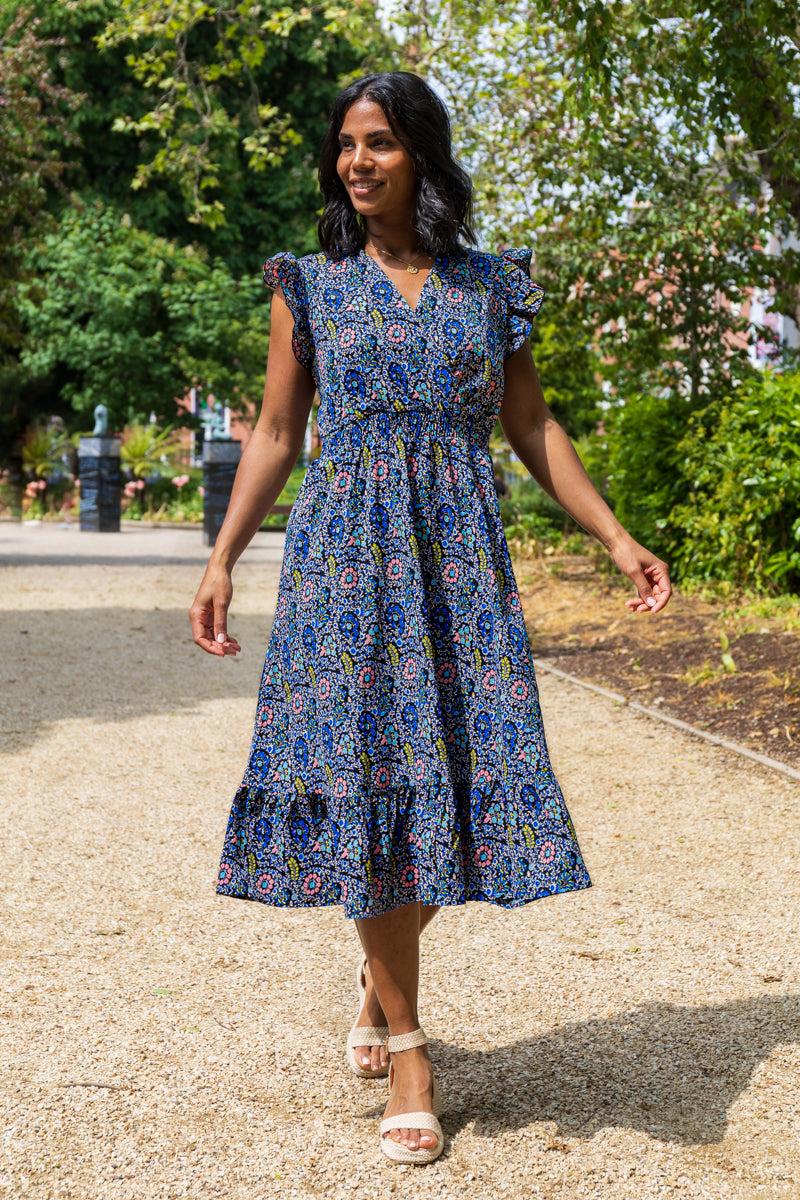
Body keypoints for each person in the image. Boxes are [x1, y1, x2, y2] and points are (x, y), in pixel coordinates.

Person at [189, 71, 672, 1166]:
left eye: (380, 144)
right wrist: (221, 557)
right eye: (346, 146)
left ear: (422, 155)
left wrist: (614, 535)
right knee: (365, 779)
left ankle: (376, 970)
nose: (356, 162)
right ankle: (407, 1041)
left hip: (457, 562)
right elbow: (272, 433)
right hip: (345, 561)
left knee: (454, 779)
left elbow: (531, 424)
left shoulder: (490, 286)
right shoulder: (306, 284)